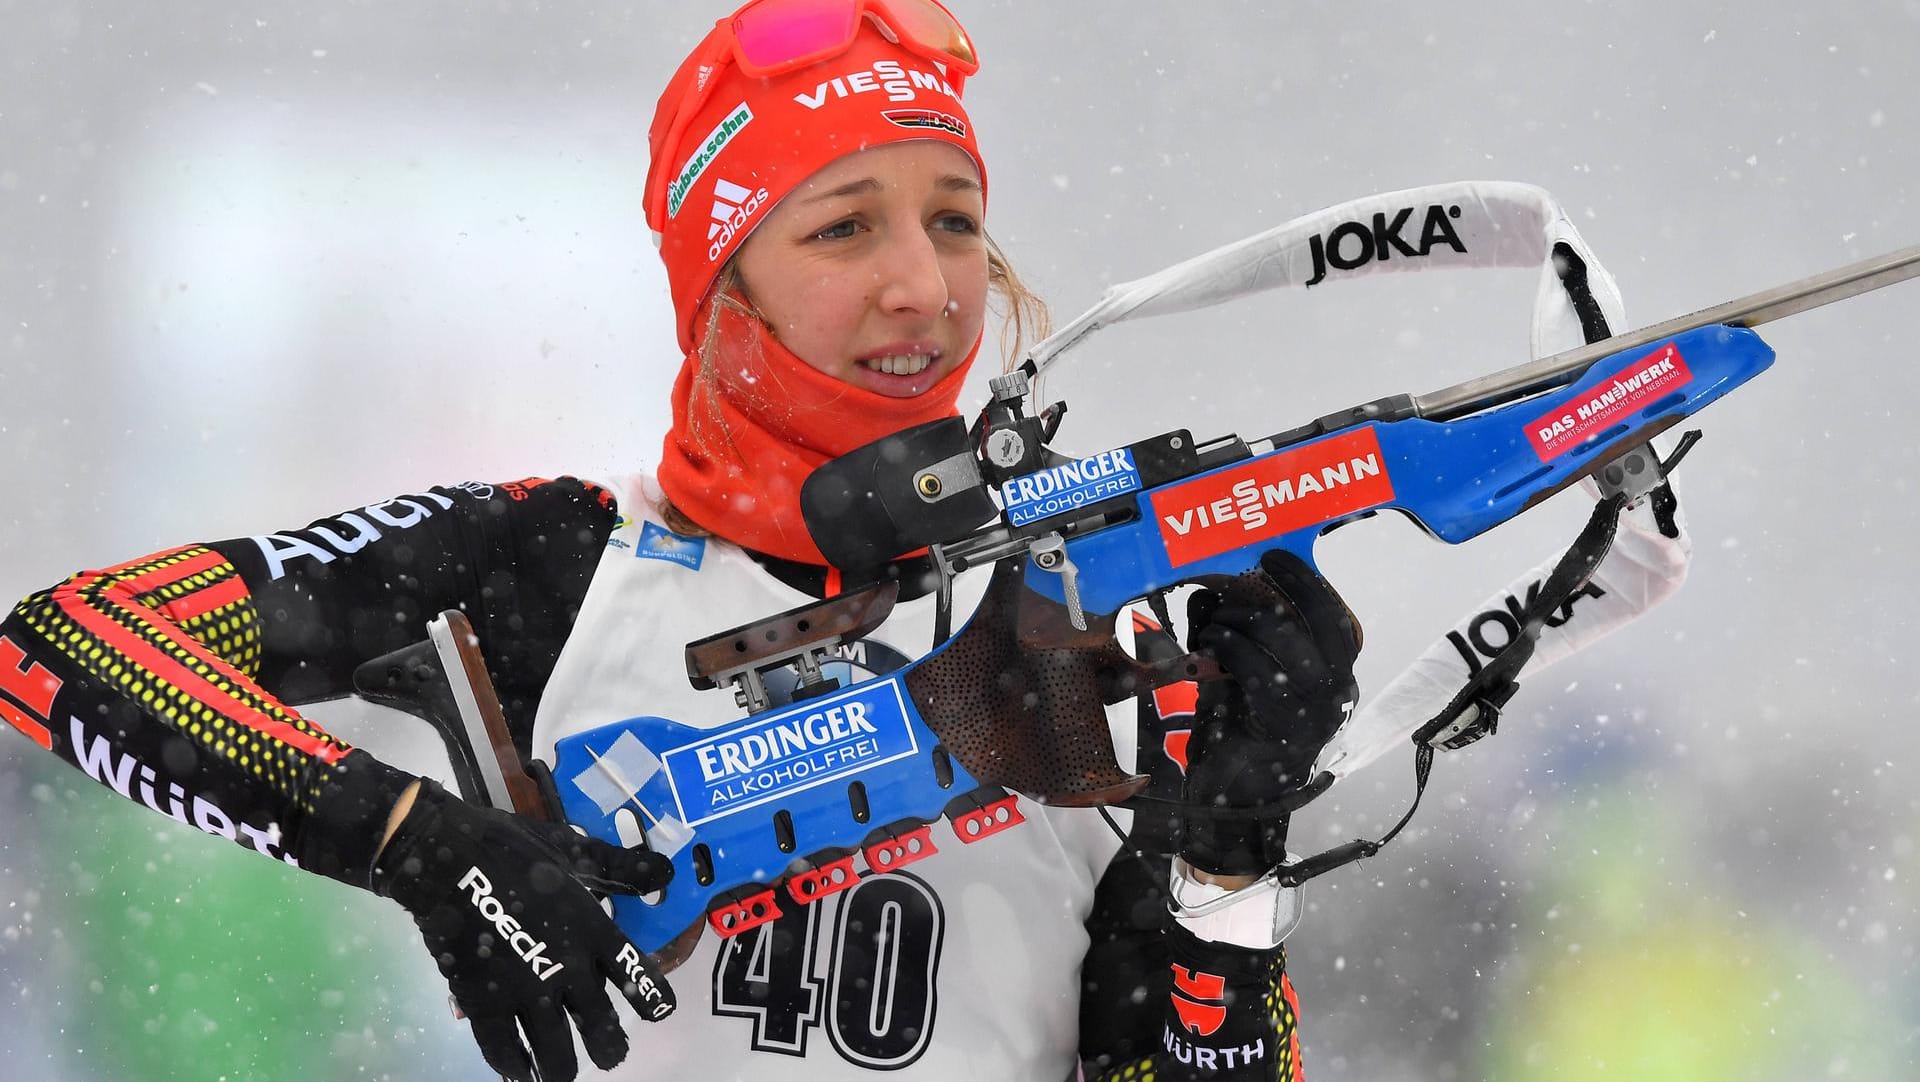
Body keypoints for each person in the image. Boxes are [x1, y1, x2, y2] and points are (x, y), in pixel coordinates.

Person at [2, 2, 1692, 1080]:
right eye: (844, 226)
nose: (923, 286)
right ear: (714, 281)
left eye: (956, 220)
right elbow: (58, 644)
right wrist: (417, 844)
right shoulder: (545, 571)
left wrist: (1225, 872)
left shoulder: (1087, 607)